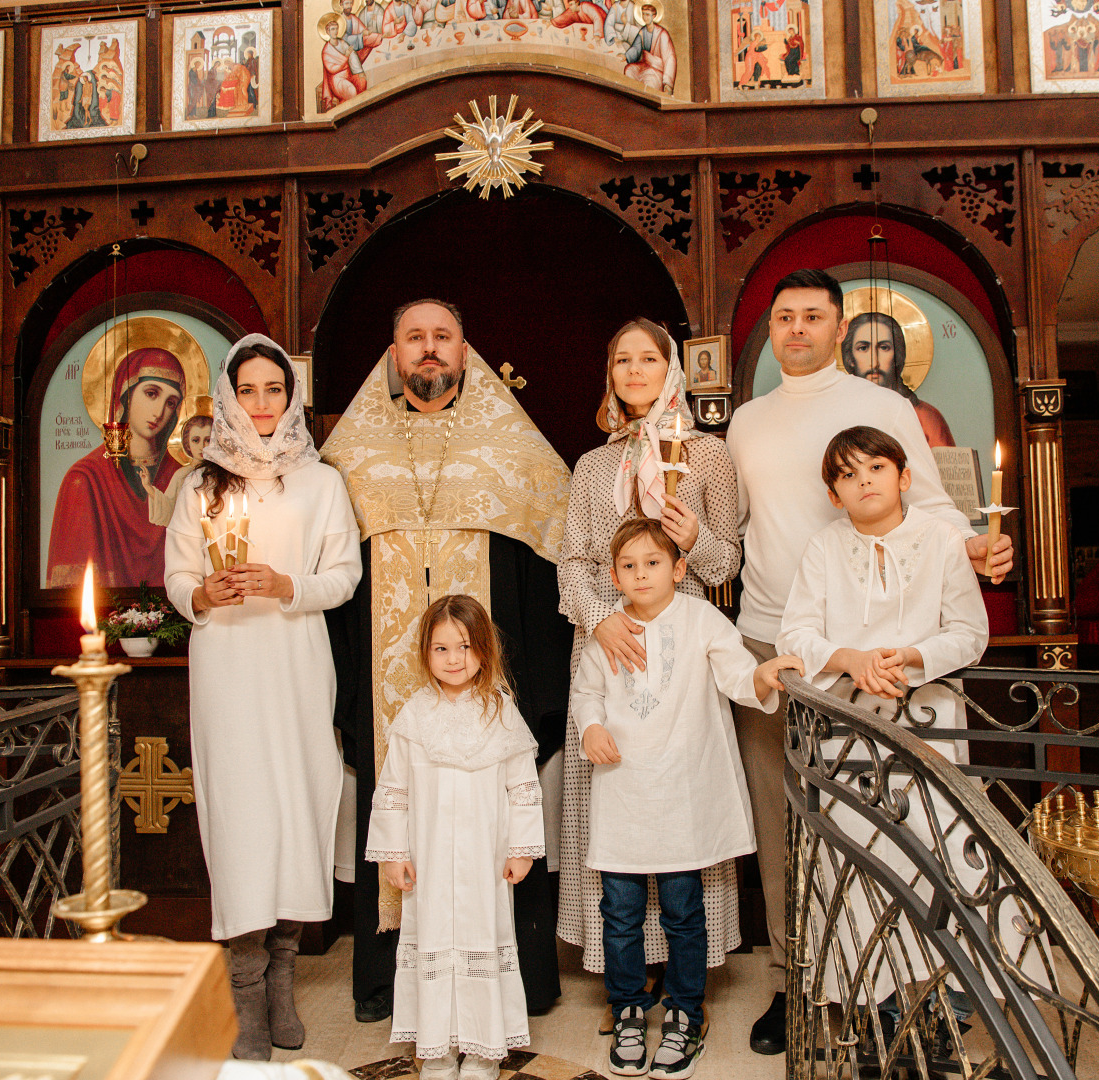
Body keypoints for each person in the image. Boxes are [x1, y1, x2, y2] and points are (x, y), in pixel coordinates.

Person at [725, 268, 1012, 1055]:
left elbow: (930, 507)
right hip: (772, 639)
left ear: (839, 324)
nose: (795, 330)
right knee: (785, 821)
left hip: (872, 645)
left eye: (811, 316)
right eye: (783, 317)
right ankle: (798, 982)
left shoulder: (883, 408)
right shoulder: (746, 421)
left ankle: (902, 978)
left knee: (890, 818)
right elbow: (733, 529)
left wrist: (975, 545)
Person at [321, 299, 571, 1025]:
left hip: (485, 663)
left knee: (493, 806)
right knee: (398, 805)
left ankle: (510, 982)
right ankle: (389, 980)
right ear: (393, 354)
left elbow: (549, 558)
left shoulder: (510, 445)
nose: (429, 350)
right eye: (414, 338)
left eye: (443, 338)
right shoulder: (352, 454)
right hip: (387, 674)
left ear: (465, 350)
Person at [776, 426, 1038, 1031]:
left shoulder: (943, 540)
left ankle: (953, 995)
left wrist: (909, 657)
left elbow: (970, 633)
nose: (863, 480)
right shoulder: (822, 548)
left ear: (904, 477)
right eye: (847, 474)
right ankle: (877, 997)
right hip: (849, 727)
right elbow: (796, 635)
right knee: (864, 855)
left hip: (929, 720)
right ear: (835, 494)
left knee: (940, 852)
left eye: (875, 467)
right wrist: (853, 660)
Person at [164, 334, 363, 1060]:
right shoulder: (199, 483)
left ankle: (282, 976)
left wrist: (287, 585)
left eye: (272, 390)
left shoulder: (321, 483)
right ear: (227, 397)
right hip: (226, 664)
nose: (260, 404)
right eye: (246, 390)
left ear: (292, 396)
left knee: (298, 805)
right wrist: (200, 593)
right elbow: (176, 577)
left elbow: (343, 576)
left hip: (297, 659)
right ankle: (245, 992)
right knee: (242, 818)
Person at [572, 518, 801, 1079]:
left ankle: (685, 1012)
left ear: (678, 569)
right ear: (613, 575)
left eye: (652, 563)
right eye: (628, 565)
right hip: (623, 795)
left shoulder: (702, 620)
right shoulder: (607, 631)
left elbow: (739, 676)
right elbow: (587, 693)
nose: (640, 574)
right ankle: (627, 1006)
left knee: (682, 911)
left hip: (682, 796)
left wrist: (765, 676)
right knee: (619, 915)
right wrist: (590, 728)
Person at [556, 319, 743, 979]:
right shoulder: (592, 464)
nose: (634, 370)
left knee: (678, 799)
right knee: (618, 804)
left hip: (679, 648)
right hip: (609, 650)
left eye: (647, 359)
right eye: (621, 360)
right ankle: (626, 974)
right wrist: (602, 618)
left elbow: (725, 566)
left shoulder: (707, 455)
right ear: (610, 375)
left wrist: (693, 538)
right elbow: (574, 560)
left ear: (672, 370)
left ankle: (686, 973)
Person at [367, 594, 544, 1080]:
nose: (452, 659)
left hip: (484, 862)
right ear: (426, 653)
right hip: (430, 862)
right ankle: (438, 1048)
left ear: (484, 649)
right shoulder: (414, 716)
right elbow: (394, 789)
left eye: (463, 647)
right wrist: (393, 853)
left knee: (482, 939)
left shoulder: (501, 713)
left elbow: (524, 788)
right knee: (433, 944)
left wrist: (522, 850)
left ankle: (485, 1050)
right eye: (440, 649)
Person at [48, 347, 186, 588]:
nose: (159, 412)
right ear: (126, 394)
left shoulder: (183, 477)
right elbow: (74, 591)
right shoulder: (86, 478)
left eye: (171, 402)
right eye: (151, 393)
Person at [841, 310, 956, 448]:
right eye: (863, 348)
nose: (875, 362)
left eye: (884, 348)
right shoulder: (839, 413)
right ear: (850, 358)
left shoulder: (925, 417)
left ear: (897, 355)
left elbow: (943, 467)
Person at [150, 412, 213, 527]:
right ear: (187, 444)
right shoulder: (182, 474)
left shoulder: (221, 473)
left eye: (208, 440)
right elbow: (169, 507)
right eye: (196, 440)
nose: (202, 446)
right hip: (187, 530)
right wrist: (149, 490)